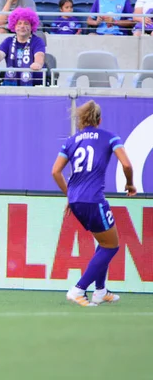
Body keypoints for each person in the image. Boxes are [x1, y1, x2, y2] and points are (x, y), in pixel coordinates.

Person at [51, 100, 137, 307]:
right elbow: (126, 164)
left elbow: (55, 172)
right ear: (99, 119)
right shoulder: (109, 137)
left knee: (104, 241)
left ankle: (100, 291)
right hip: (93, 199)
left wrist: (70, 196)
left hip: (77, 200)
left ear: (81, 120)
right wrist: (130, 184)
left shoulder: (71, 141)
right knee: (111, 246)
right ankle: (78, 289)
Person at [0, 7, 45, 86]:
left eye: (26, 23)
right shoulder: (8, 41)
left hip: (33, 81)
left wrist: (37, 64)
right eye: (19, 23)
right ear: (14, 26)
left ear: (32, 26)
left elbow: (39, 55)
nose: (22, 26)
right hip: (11, 79)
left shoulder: (37, 41)